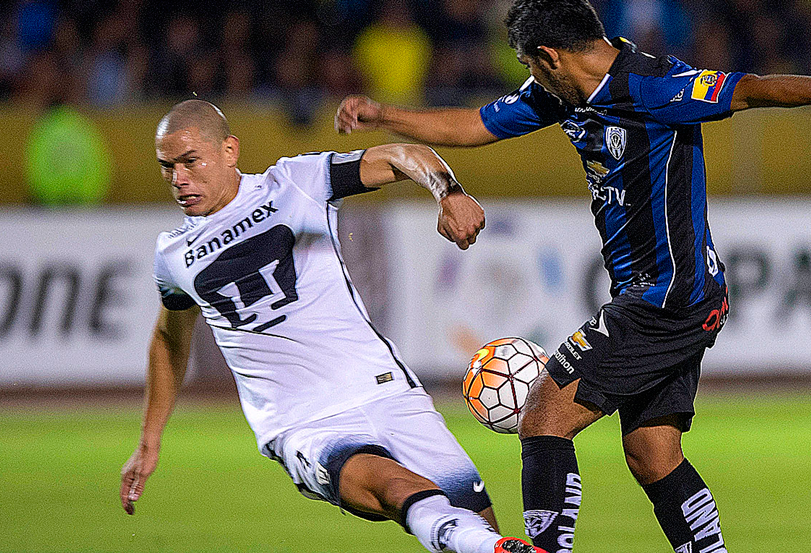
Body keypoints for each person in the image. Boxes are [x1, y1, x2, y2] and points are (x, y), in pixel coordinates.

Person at [334, 1, 811, 552]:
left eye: (528, 67)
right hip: (668, 295)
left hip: (667, 297)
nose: (529, 80)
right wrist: (385, 114)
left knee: (544, 414)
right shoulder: (561, 93)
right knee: (652, 452)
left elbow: (751, 89)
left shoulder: (652, 84)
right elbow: (477, 125)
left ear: (549, 56)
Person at [119, 99, 545, 553]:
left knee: (473, 520)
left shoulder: (293, 183)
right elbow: (169, 339)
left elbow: (396, 156)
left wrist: (449, 192)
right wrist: (149, 440)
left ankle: (485, 544)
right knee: (392, 487)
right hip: (303, 423)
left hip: (386, 391)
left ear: (229, 150)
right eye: (167, 168)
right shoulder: (173, 255)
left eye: (190, 161)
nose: (178, 179)